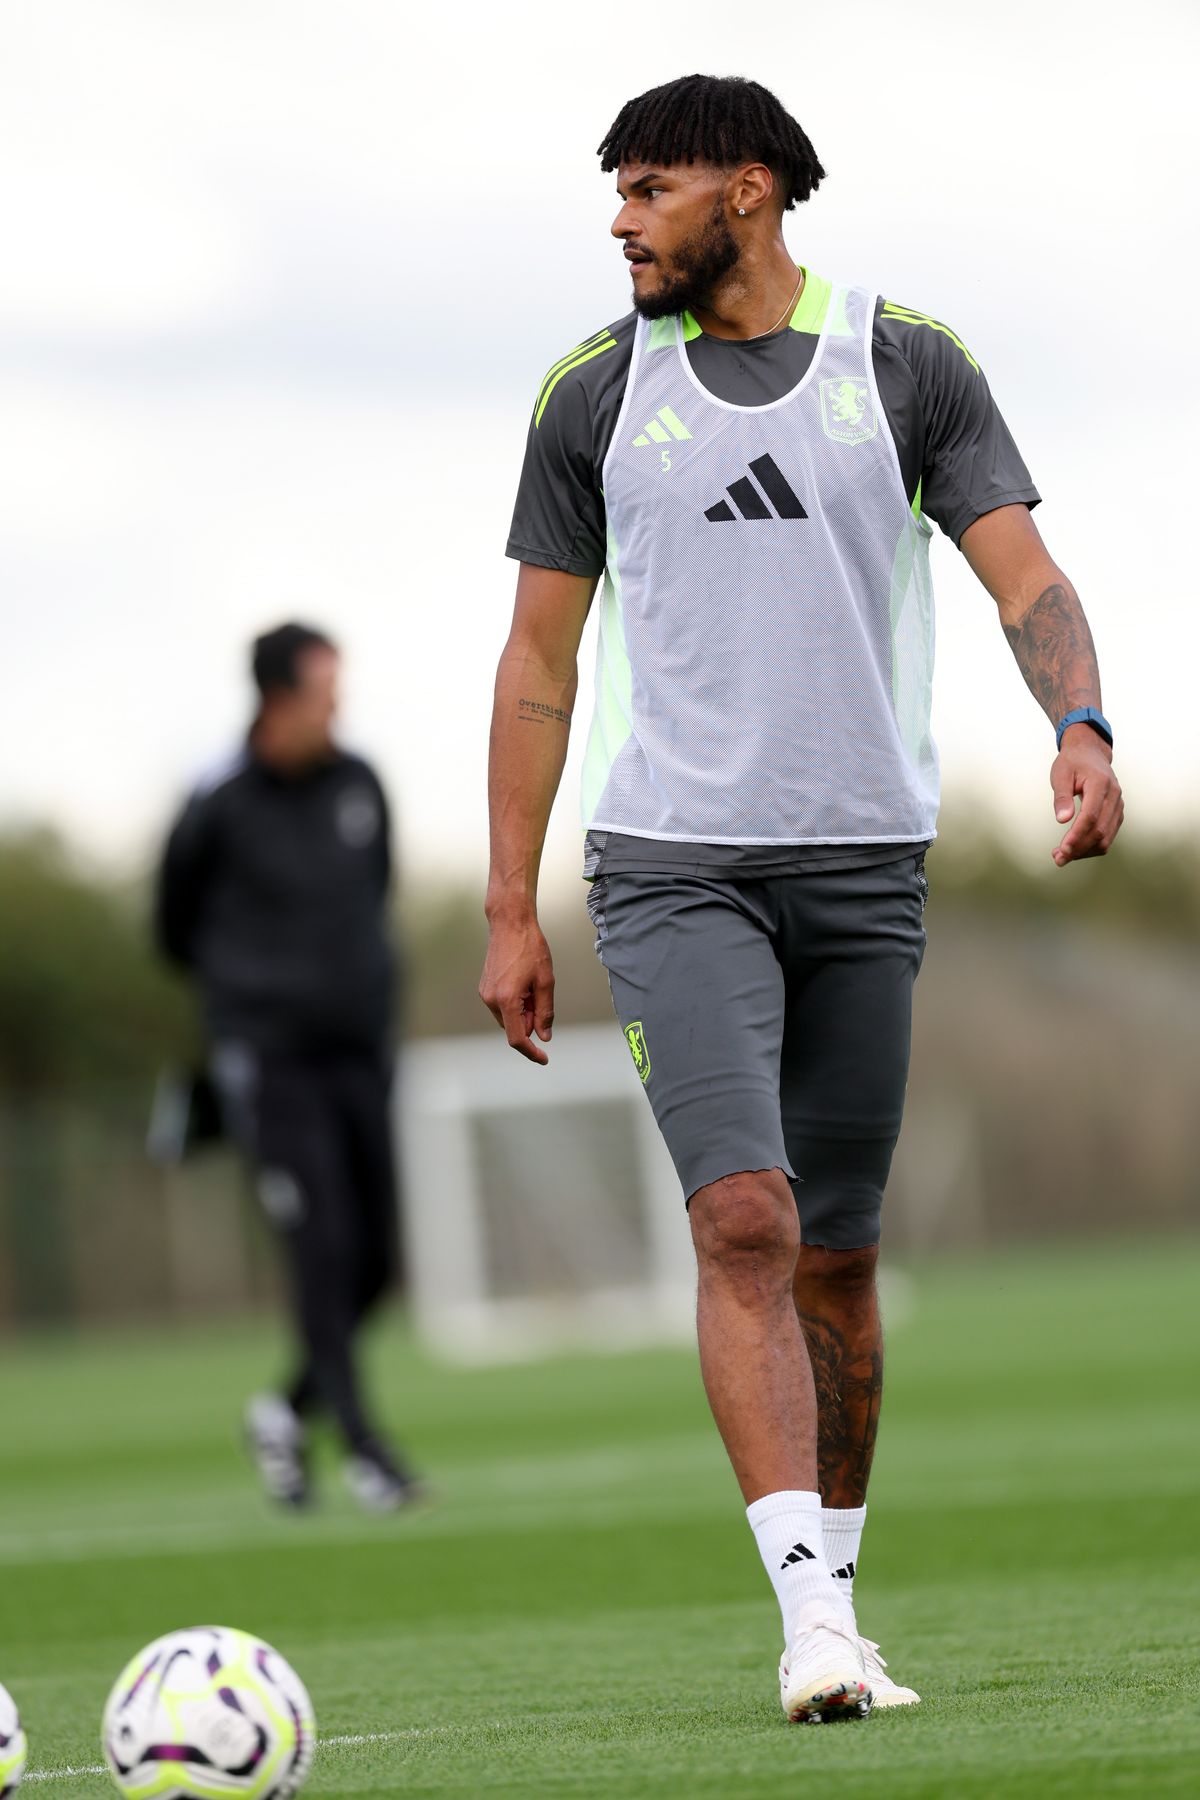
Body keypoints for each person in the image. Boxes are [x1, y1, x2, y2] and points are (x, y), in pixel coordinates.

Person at [480, 74, 1123, 1721]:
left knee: (837, 1253)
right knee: (744, 1224)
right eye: (614, 191)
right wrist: (509, 902)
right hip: (670, 869)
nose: (621, 217)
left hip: (863, 865)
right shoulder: (590, 392)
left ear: (748, 193)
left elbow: (1026, 575)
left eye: (649, 188)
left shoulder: (906, 363)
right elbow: (540, 666)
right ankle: (809, 1626)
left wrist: (1081, 726)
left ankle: (844, 1597)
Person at [156, 621, 419, 1512]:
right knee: (321, 1251)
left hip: (359, 1054)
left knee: (378, 1261)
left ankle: (285, 1408)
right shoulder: (219, 801)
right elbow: (172, 924)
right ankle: (366, 1449)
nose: (337, 709)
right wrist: (252, 999)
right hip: (273, 1065)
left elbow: (375, 892)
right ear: (276, 699)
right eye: (323, 692)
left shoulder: (359, 783)